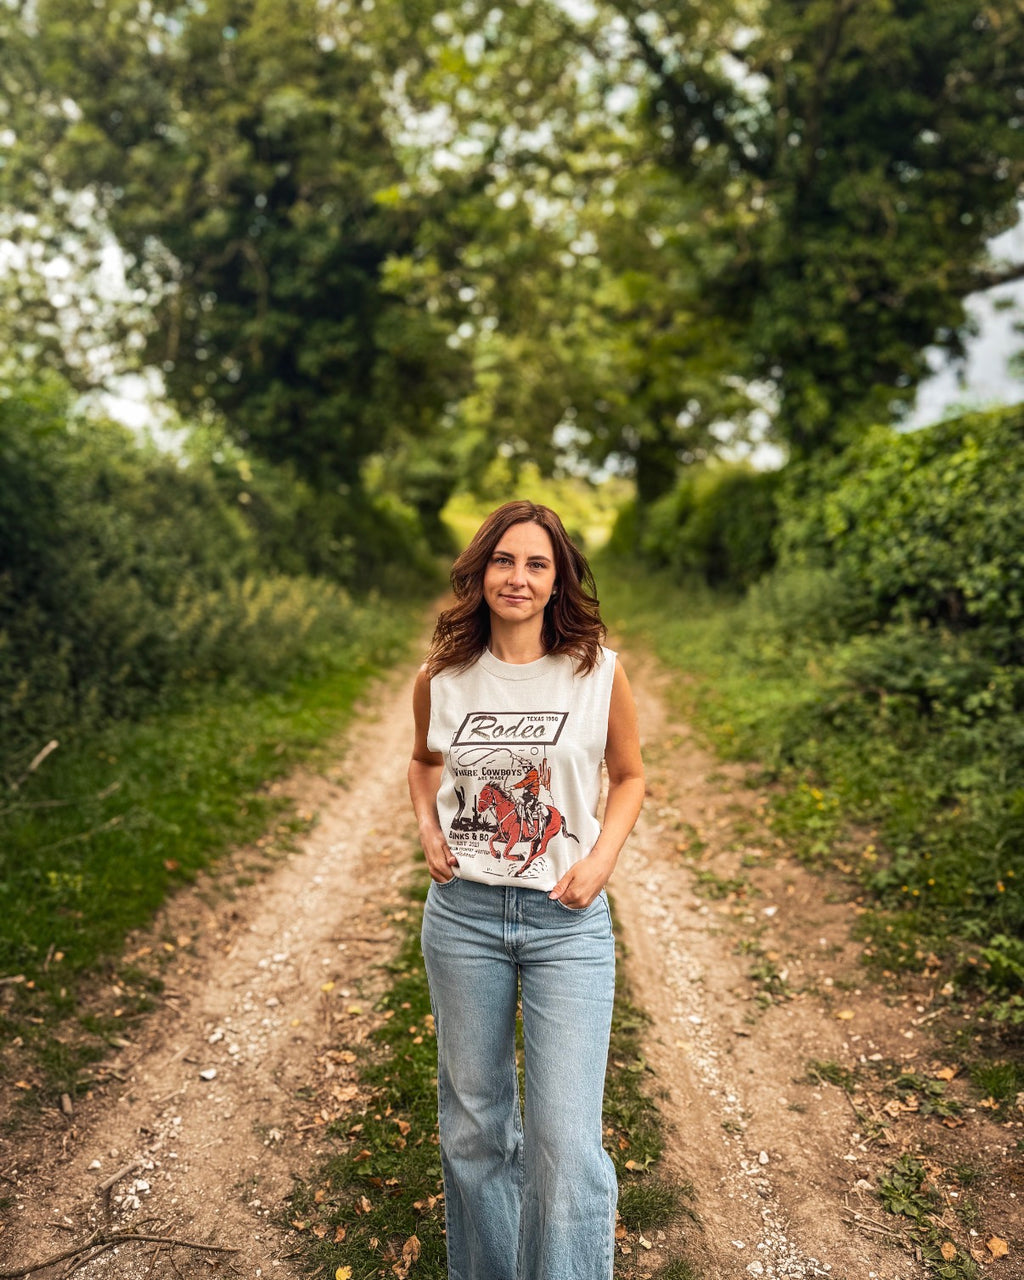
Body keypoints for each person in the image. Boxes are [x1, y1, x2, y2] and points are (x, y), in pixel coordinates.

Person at [408, 500, 645, 1280]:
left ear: (558, 579)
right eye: (504, 561)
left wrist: (602, 859)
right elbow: (423, 763)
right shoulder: (441, 678)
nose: (518, 577)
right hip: (464, 920)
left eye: (536, 563)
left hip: (566, 926)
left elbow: (632, 776)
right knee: (474, 1130)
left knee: (565, 1140)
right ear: (480, 574)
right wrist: (426, 828)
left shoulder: (597, 672)